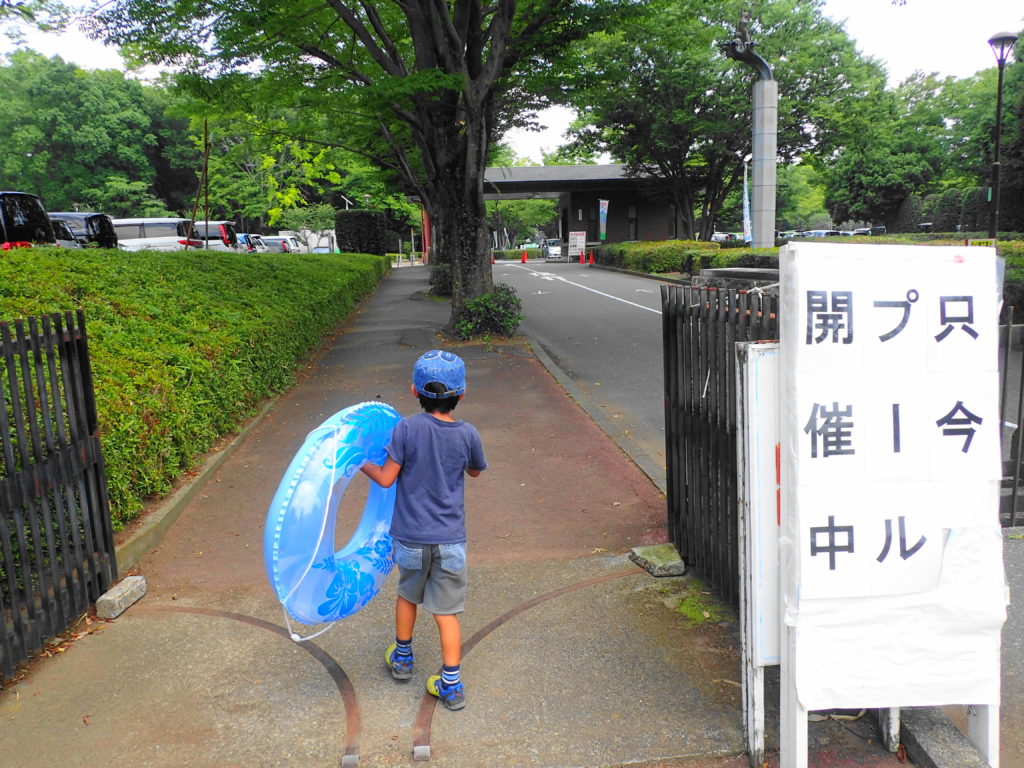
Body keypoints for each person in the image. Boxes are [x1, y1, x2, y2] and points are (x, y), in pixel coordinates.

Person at [361, 349, 487, 711]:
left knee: (407, 595)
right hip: (450, 539)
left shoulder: (406, 429)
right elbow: (476, 471)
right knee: (446, 611)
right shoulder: (468, 434)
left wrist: (359, 463)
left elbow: (386, 479)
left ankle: (402, 660)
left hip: (411, 537)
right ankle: (451, 684)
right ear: (461, 394)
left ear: (414, 392)